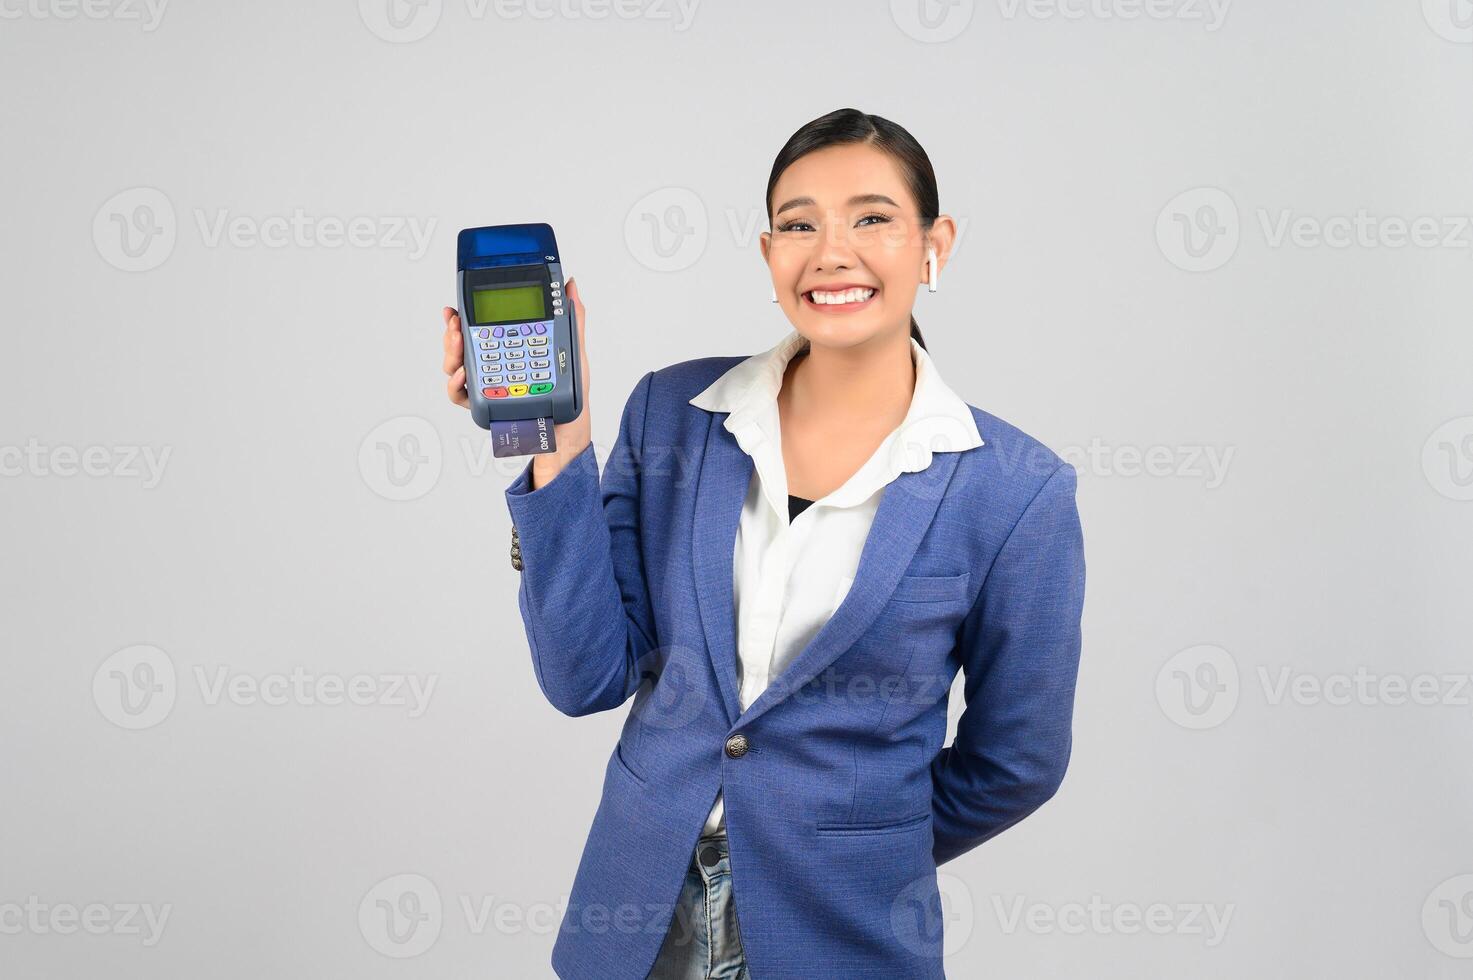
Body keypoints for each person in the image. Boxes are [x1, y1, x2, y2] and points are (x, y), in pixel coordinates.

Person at [439, 107, 1086, 980]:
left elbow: (1019, 761)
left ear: (935, 244)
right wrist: (559, 440)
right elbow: (582, 677)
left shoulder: (1015, 491)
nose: (830, 251)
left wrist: (857, 845)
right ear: (767, 254)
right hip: (633, 919)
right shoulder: (673, 414)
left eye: (871, 218)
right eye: (797, 224)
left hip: (840, 935)